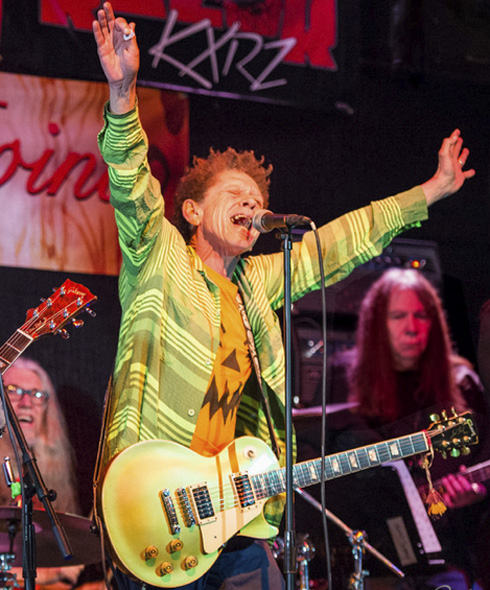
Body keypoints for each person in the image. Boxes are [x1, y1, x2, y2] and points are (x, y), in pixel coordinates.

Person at [91, 3, 475, 589]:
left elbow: (342, 240)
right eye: (235, 193)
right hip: (157, 511)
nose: (251, 202)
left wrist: (430, 191)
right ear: (192, 210)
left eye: (256, 197)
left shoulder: (257, 282)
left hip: (238, 522)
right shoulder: (161, 256)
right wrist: (123, 91)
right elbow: (131, 181)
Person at [296, 268, 488, 589]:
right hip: (356, 546)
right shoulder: (345, 378)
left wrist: (474, 492)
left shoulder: (460, 381)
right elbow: (310, 448)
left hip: (444, 554)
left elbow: (482, 464)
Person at [0, 357, 83, 590]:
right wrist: (51, 574)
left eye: (37, 395)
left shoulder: (46, 478)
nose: (27, 402)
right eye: (12, 391)